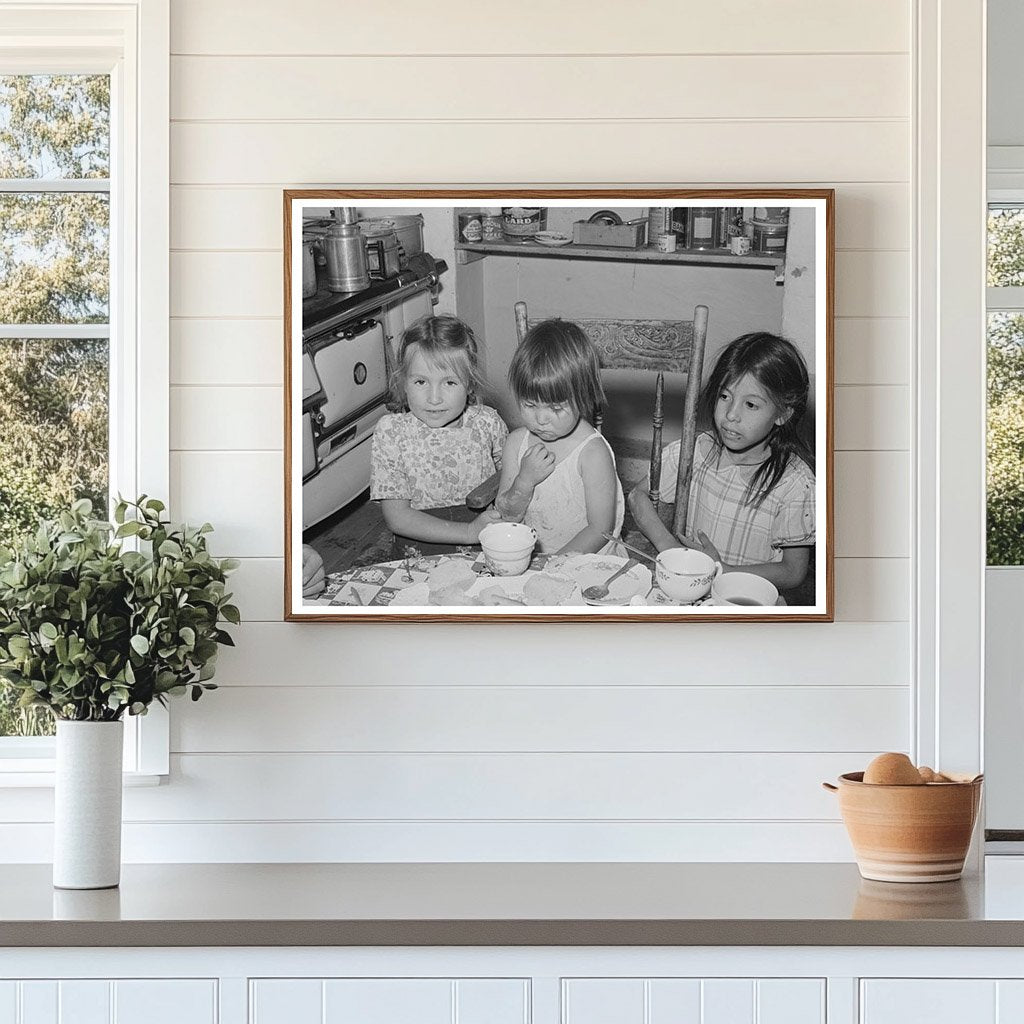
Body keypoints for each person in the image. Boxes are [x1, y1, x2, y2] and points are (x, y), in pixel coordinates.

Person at [628, 331, 815, 591]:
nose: (731, 415)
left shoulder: (794, 483)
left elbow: (793, 572)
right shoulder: (694, 452)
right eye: (724, 397)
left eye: (750, 405)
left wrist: (720, 569)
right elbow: (638, 496)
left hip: (746, 601)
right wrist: (669, 548)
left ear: (783, 414)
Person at [370, 315, 506, 553]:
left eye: (450, 383)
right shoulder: (391, 432)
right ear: (403, 382)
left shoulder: (487, 422)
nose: (434, 398)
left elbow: (508, 479)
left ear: (470, 383)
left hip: (483, 541)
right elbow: (397, 517)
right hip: (417, 549)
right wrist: (467, 532)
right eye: (421, 382)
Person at [495, 318, 623, 554]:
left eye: (555, 408)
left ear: (584, 397)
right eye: (530, 404)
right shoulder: (516, 444)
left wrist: (554, 565)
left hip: (586, 561)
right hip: (531, 559)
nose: (541, 419)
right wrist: (524, 481)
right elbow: (506, 515)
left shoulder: (593, 454)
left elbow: (600, 530)